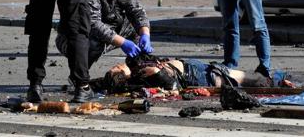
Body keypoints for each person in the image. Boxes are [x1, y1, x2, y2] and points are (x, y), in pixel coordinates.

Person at [99, 54, 293, 92]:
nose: (116, 65)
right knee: (247, 81)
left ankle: (279, 79)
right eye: (116, 69)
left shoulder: (137, 67)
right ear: (121, 76)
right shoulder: (144, 73)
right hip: (200, 75)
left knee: (244, 78)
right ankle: (281, 81)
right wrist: (157, 71)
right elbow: (170, 84)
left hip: (196, 69)